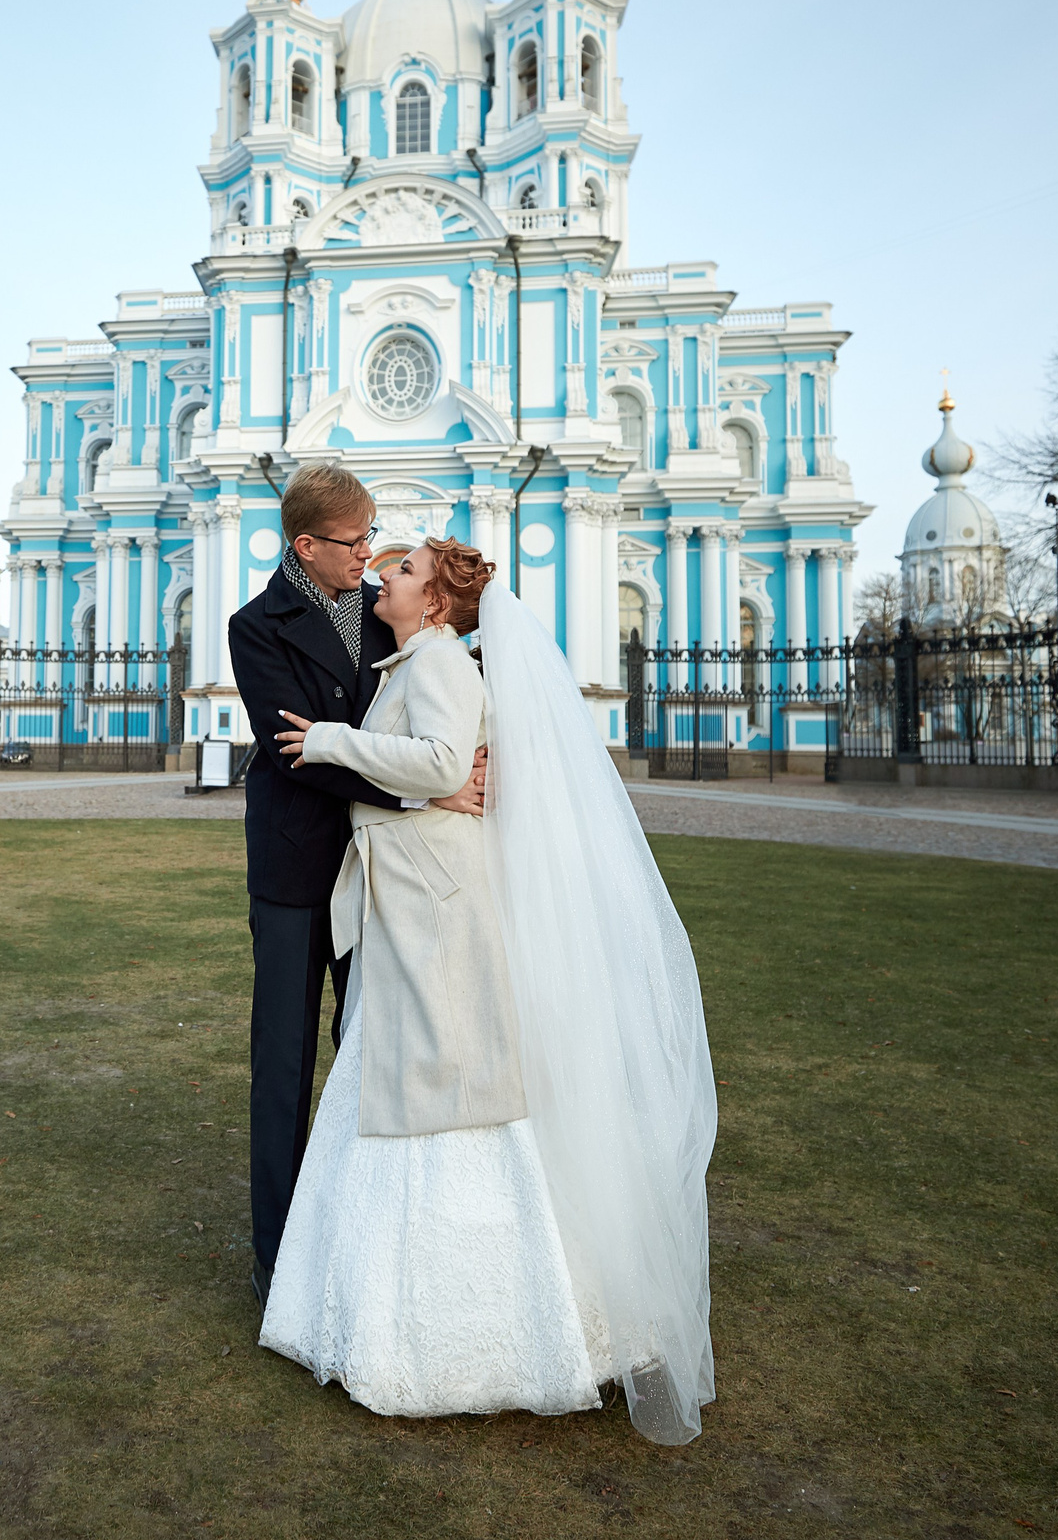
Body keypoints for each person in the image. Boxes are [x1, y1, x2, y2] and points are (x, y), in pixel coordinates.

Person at [257, 538, 718, 1446]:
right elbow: (439, 770)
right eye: (381, 564)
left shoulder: (436, 663)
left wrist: (328, 741)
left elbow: (432, 763)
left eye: (400, 570)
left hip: (436, 898)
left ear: (433, 602)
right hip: (417, 886)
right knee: (402, 1066)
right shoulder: (419, 657)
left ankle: (482, 1327)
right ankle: (379, 1308)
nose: (382, 576)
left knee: (449, 1069)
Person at [226, 463, 482, 1310]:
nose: (371, 553)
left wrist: (455, 769)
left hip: (390, 873)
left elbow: (431, 700)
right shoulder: (256, 627)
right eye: (355, 539)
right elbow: (302, 754)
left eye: (374, 537)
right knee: (286, 1062)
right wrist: (426, 787)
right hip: (300, 871)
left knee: (377, 1051)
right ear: (307, 545)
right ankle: (277, 1254)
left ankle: (363, 1235)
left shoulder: (384, 609)